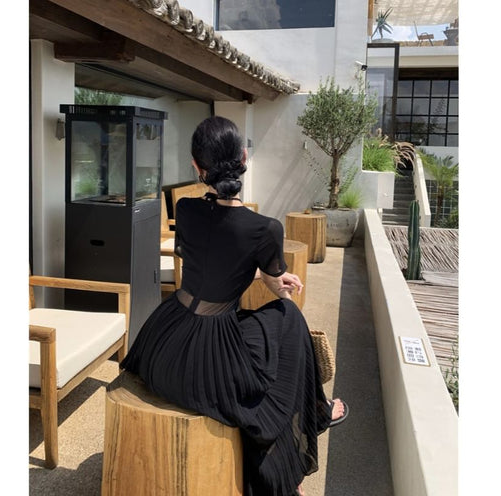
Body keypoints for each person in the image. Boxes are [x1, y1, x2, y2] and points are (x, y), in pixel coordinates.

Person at [121, 116, 348, 496]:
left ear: (197, 167)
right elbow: (270, 280)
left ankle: (317, 412)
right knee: (290, 319)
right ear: (243, 158)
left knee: (272, 332)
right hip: (211, 360)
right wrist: (276, 279)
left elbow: (208, 261)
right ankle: (317, 412)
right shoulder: (265, 229)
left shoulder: (186, 210)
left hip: (164, 347)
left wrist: (258, 272)